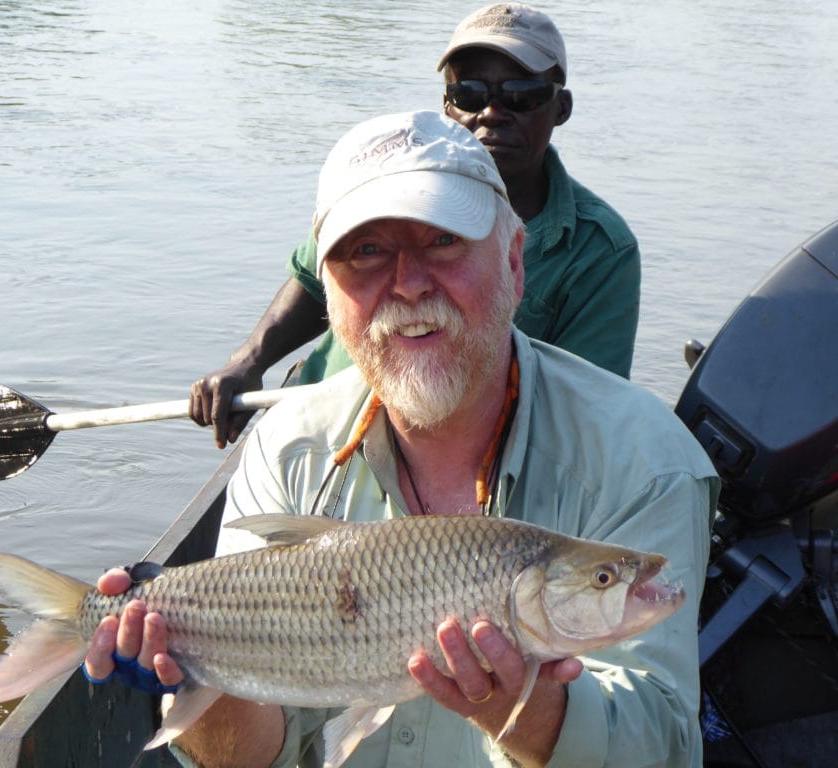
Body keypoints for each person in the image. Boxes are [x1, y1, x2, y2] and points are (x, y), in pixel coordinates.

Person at [86, 110, 718, 767]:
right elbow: (250, 759)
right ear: (328, 295)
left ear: (514, 261)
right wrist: (198, 676)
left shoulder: (647, 462)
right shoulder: (287, 445)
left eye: (443, 240)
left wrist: (525, 714)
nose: (409, 283)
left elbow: (664, 746)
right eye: (366, 252)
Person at [190, 3, 641, 450]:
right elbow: (314, 279)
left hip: (465, 457)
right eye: (469, 93)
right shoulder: (387, 182)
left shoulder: (600, 249)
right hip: (324, 427)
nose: (491, 113)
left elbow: (583, 405)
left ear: (560, 107)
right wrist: (248, 361)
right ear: (447, 106)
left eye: (521, 95)